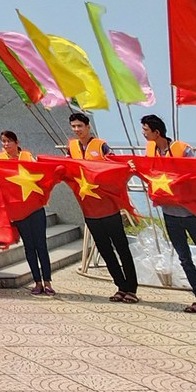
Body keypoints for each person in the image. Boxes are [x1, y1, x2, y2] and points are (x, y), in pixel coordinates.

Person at [138, 114, 196, 319]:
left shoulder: (182, 149)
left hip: (190, 214)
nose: (144, 134)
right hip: (169, 214)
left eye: (146, 130)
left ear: (157, 132)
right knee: (184, 259)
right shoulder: (150, 150)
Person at [67, 112, 138, 304]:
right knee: (104, 249)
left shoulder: (101, 145)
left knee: (121, 247)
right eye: (73, 127)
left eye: (79, 126)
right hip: (89, 209)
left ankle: (131, 288)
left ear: (88, 127)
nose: (76, 130)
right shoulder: (71, 148)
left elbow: (116, 167)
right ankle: (120, 286)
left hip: (109, 207)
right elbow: (64, 168)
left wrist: (129, 169)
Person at [0, 130, 55, 295]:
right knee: (29, 246)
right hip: (18, 211)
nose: (6, 145)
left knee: (41, 245)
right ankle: (37, 282)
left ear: (17, 142)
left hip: (35, 208)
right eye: (3, 141)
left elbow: (42, 175)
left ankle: (47, 281)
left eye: (9, 141)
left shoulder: (28, 157)